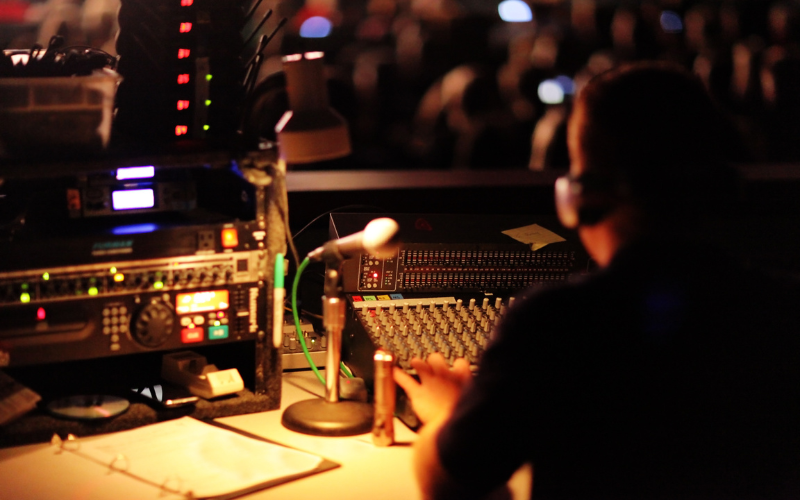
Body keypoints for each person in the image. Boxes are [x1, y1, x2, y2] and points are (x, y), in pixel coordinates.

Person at [394, 61, 800, 500]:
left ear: (581, 196)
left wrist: (448, 416)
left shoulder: (557, 324)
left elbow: (448, 485)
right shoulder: (783, 310)